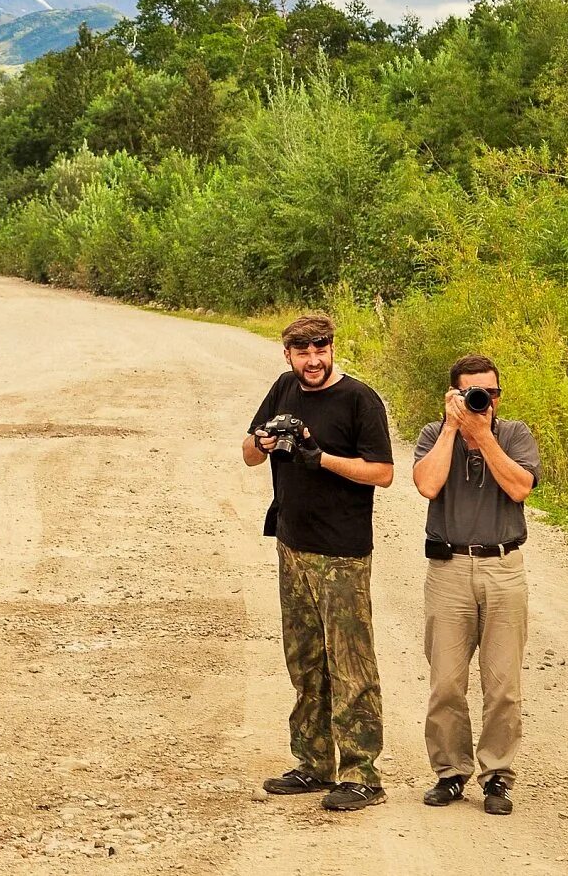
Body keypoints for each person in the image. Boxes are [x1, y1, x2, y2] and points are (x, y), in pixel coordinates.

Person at [244, 315, 396, 813]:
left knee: (350, 665)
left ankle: (362, 775)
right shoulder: (285, 387)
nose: (313, 359)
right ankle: (313, 763)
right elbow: (248, 454)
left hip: (343, 553)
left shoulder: (359, 399)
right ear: (287, 354)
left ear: (332, 348)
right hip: (292, 544)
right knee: (305, 662)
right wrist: (263, 441)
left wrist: (321, 457)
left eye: (321, 349)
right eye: (302, 351)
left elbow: (383, 473)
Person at [410, 353, 540, 817]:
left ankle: (498, 776)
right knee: (446, 681)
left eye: (490, 392)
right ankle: (450, 773)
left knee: (503, 684)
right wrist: (451, 428)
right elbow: (426, 485)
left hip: (504, 567)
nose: (484, 400)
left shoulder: (514, 434)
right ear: (453, 394)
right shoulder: (433, 434)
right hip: (448, 569)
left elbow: (521, 487)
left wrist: (484, 436)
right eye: (471, 393)